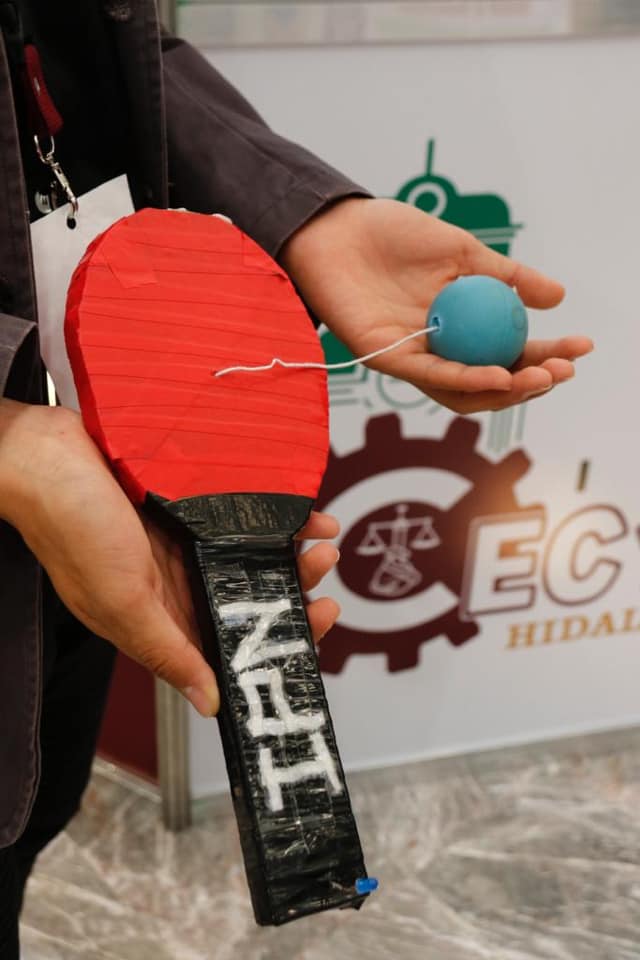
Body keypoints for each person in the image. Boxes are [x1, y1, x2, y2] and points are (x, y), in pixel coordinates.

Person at [0, 0, 592, 954]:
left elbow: (100, 46)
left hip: (82, 511)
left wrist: (309, 219)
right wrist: (9, 443)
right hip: (49, 478)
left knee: (27, 821)